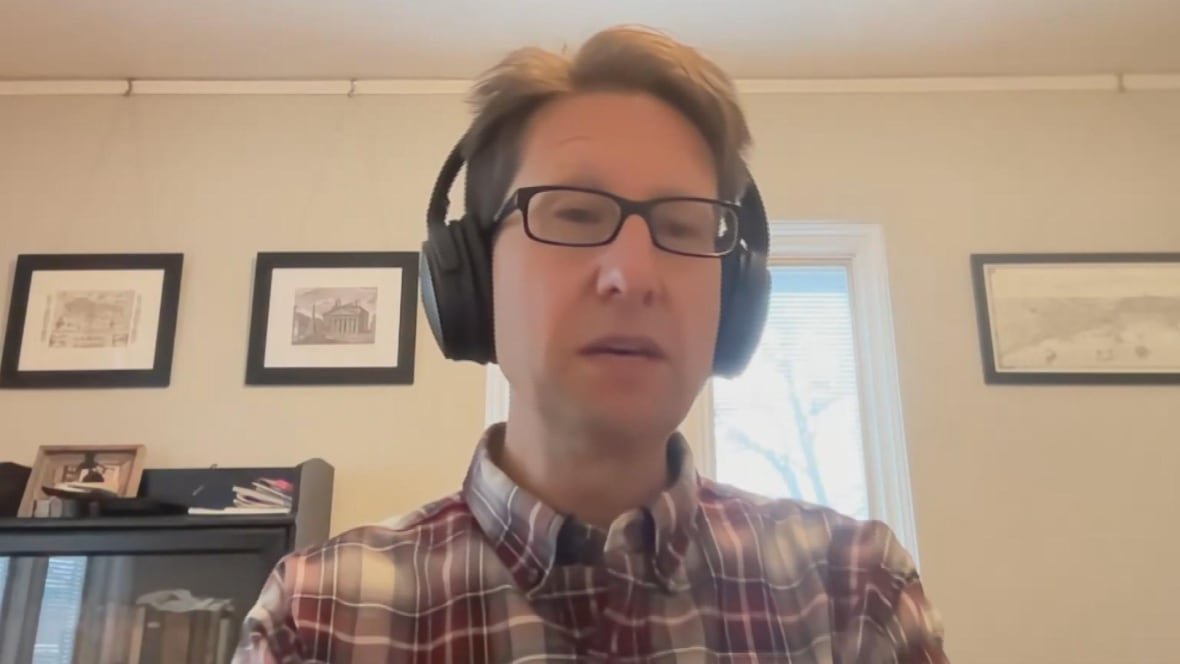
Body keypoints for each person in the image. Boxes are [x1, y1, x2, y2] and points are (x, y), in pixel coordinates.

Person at [234, 25, 947, 663]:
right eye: (573, 215)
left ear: (734, 299)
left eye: (683, 225)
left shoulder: (854, 593)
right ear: (472, 278)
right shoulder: (320, 618)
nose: (633, 275)